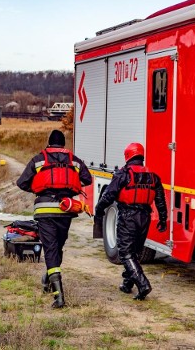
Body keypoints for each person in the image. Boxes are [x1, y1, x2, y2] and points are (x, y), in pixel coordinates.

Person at [16, 130, 92, 308]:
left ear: (49, 143)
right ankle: (48, 280)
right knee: (57, 247)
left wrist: (39, 188)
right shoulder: (74, 160)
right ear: (63, 145)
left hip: (44, 210)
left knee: (50, 249)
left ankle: (59, 297)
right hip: (65, 210)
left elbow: (22, 183)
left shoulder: (39, 159)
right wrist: (69, 185)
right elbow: (87, 179)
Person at [94, 142, 168, 301]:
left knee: (126, 253)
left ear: (127, 156)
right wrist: (163, 219)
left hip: (128, 216)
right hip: (145, 218)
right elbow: (161, 200)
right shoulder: (153, 176)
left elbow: (108, 195)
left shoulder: (123, 174)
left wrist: (99, 210)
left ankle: (143, 284)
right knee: (134, 252)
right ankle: (127, 284)